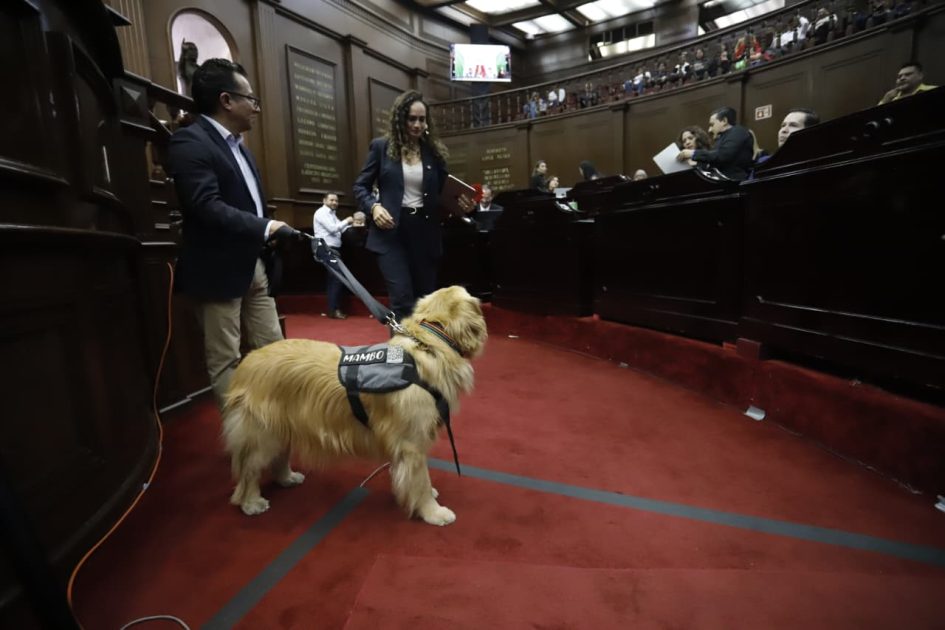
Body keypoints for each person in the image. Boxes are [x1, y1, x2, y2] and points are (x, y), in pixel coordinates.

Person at [166, 58, 296, 408]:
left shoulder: (239, 148)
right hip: (215, 269)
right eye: (251, 99)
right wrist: (266, 226)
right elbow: (205, 206)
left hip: (254, 265)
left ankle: (280, 454)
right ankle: (251, 452)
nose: (255, 107)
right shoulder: (189, 143)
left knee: (277, 357)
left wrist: (264, 234)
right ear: (226, 100)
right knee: (228, 364)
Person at [352, 90, 473, 320]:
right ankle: (398, 354)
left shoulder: (433, 153)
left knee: (424, 303)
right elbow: (360, 186)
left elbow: (444, 192)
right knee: (402, 300)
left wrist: (462, 203)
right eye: (412, 119)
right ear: (400, 119)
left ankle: (420, 355)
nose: (417, 125)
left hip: (424, 232)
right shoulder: (381, 147)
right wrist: (374, 207)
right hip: (391, 233)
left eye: (422, 119)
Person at [675, 106, 754, 181]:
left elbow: (722, 156)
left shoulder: (737, 132)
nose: (710, 129)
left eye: (712, 124)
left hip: (733, 182)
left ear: (724, 121)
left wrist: (693, 153)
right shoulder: (724, 136)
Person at [313, 192, 354, 319]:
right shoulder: (321, 212)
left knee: (333, 279)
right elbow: (333, 228)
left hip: (332, 249)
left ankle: (333, 309)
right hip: (326, 248)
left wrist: (354, 224)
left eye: (336, 201)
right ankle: (334, 309)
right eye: (331, 200)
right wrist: (347, 220)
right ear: (324, 200)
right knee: (337, 278)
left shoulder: (332, 214)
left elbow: (341, 229)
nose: (335, 203)